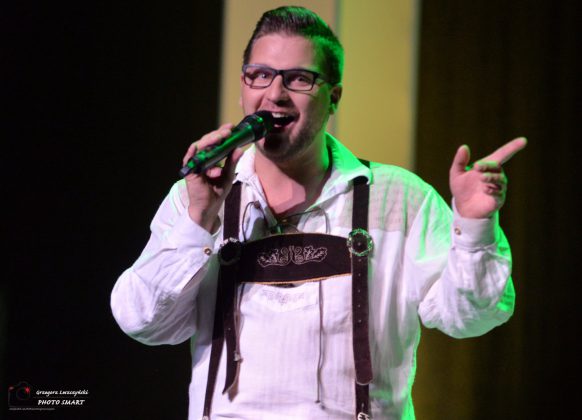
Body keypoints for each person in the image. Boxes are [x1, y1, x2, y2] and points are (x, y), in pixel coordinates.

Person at [111, 6, 526, 420]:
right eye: (260, 74)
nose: (275, 93)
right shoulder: (194, 200)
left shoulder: (400, 197)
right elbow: (144, 322)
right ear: (243, 88)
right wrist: (199, 219)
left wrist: (475, 226)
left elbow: (470, 317)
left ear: (334, 98)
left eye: (298, 79)